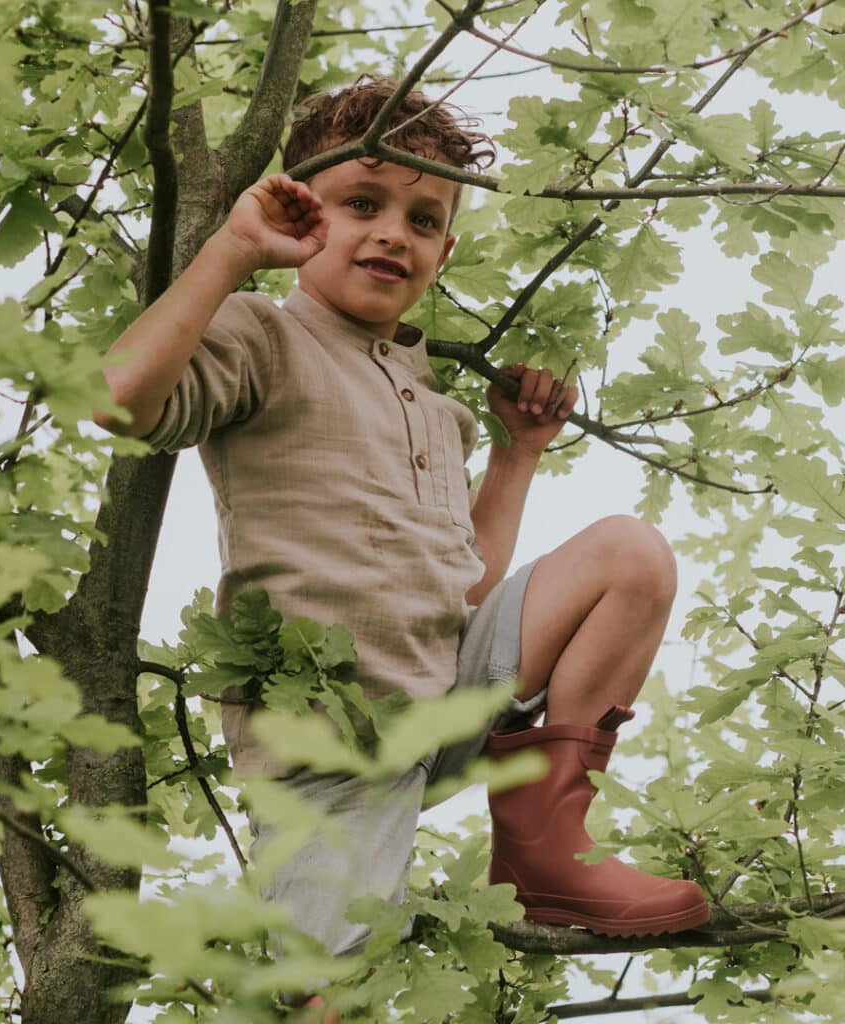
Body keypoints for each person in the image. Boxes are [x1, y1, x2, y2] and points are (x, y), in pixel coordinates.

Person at [95, 78, 710, 1017]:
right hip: (333, 735)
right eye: (361, 205)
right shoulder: (267, 337)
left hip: (444, 693)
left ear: (445, 250)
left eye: (424, 219)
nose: (393, 232)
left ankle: (546, 846)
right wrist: (233, 250)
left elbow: (465, 580)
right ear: (303, 215)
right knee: (317, 990)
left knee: (630, 554)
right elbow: (121, 400)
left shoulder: (435, 402)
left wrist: (517, 451)